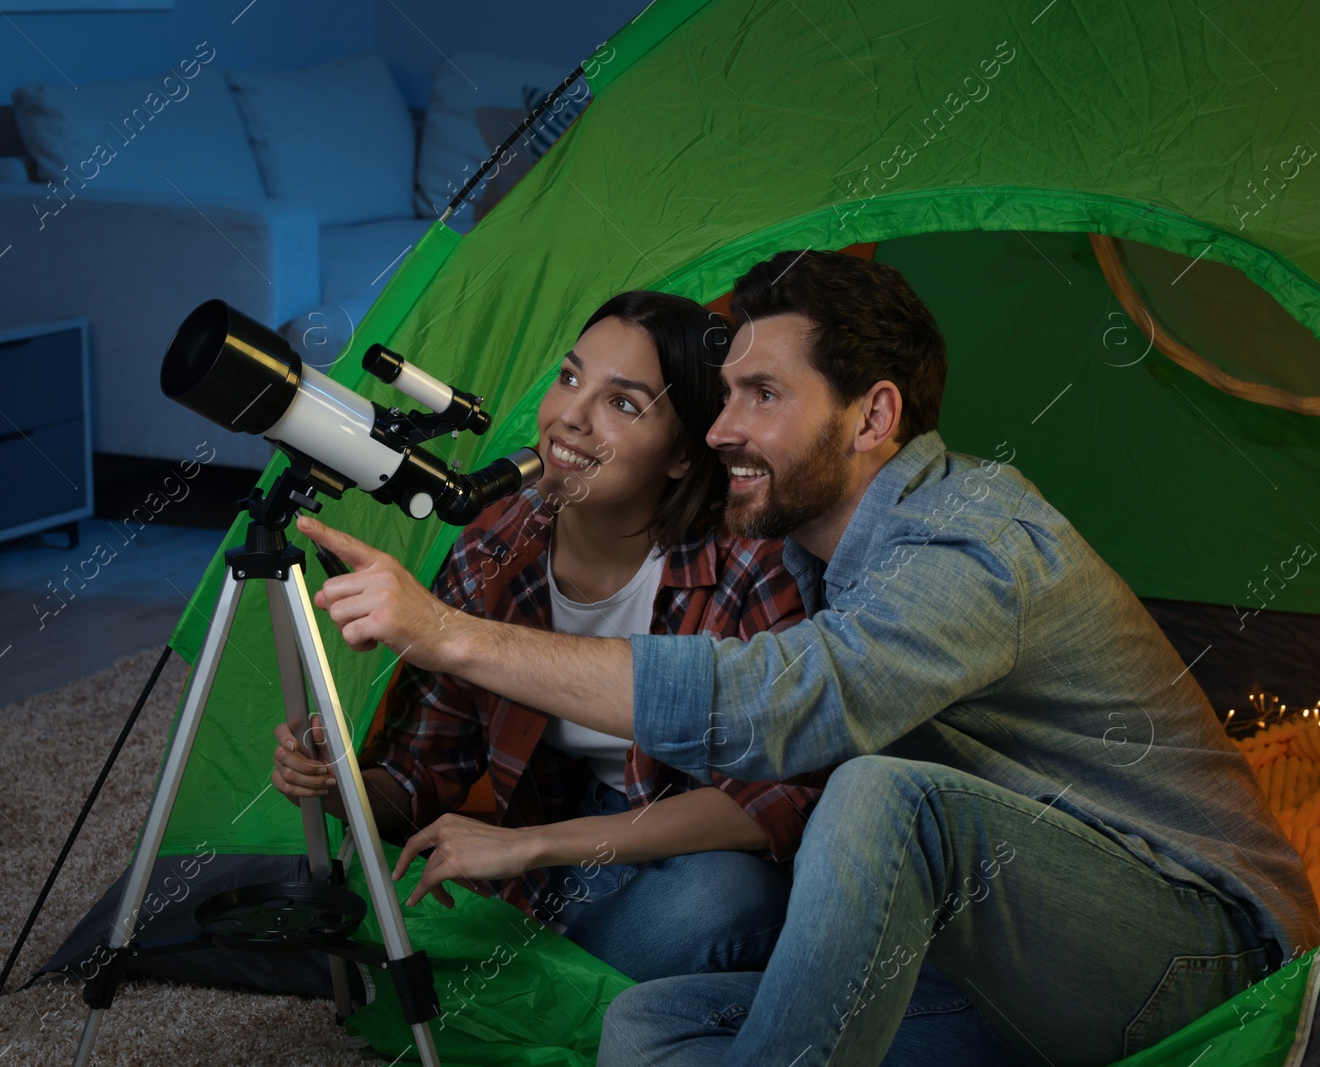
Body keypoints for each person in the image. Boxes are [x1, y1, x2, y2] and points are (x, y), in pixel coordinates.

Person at [294, 250, 1320, 1065]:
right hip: (997, 970)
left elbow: (780, 709)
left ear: (872, 415)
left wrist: (447, 631)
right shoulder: (793, 549)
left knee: (874, 796)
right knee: (649, 1027)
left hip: (1189, 953)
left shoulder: (971, 540)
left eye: (761, 395)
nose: (724, 423)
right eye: (723, 393)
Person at [271, 290, 830, 983]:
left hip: (691, 847)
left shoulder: (751, 562)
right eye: (570, 378)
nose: (570, 416)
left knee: (725, 901)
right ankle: (573, 975)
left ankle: (547, 977)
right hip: (566, 851)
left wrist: (525, 846)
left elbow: (778, 800)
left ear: (684, 453)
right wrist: (332, 785)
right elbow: (424, 775)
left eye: (622, 404)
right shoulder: (492, 550)